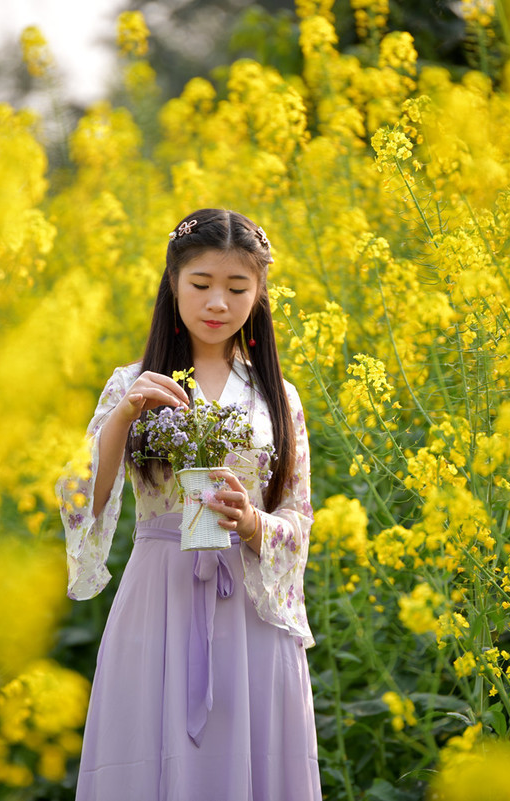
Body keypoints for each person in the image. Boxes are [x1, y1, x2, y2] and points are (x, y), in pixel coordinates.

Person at [56, 208, 321, 800]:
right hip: (160, 598)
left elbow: (298, 517)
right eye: (201, 284)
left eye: (237, 287)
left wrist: (253, 523)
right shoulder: (132, 382)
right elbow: (80, 499)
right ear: (173, 284)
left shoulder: (278, 397)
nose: (217, 303)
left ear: (259, 294)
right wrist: (124, 414)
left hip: (251, 607)